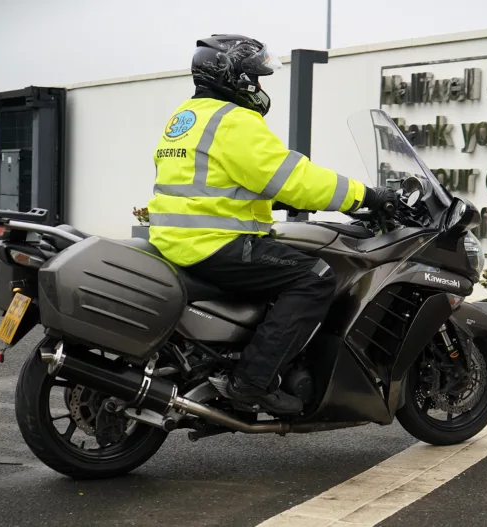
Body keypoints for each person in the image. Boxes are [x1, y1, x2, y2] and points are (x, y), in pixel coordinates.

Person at [147, 34, 397, 414]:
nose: (259, 87)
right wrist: (365, 196)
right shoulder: (234, 121)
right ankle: (252, 382)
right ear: (234, 76)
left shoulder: (187, 118)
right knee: (314, 277)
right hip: (215, 243)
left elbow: (210, 182)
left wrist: (273, 199)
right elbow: (295, 177)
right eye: (255, 77)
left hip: (177, 240)